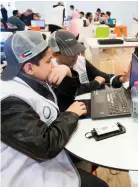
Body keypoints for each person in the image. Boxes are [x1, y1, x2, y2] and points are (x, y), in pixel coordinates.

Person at [0, 30, 109, 187]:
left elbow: (65, 97)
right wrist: (71, 114)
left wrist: (68, 72)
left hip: (42, 157)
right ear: (29, 68)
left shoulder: (28, 78)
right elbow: (46, 146)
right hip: (27, 173)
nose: (52, 66)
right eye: (49, 61)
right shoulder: (9, 103)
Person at [48, 30, 129, 111]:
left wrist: (120, 79)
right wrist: (95, 83)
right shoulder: (51, 69)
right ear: (55, 54)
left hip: (87, 105)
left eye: (76, 50)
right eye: (71, 53)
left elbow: (101, 76)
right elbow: (74, 91)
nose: (76, 55)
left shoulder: (81, 61)